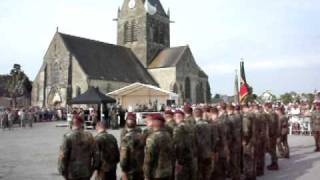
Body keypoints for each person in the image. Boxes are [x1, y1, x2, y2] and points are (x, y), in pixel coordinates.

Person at [58, 115, 95, 180]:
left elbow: (63, 155)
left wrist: (62, 170)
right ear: (82, 123)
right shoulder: (89, 136)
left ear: (72, 124)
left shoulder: (67, 136)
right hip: (86, 171)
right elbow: (96, 153)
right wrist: (93, 169)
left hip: (72, 172)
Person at [143, 114, 174, 180]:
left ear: (153, 123)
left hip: (156, 174)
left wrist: (146, 176)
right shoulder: (168, 136)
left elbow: (148, 159)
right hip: (168, 172)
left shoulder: (152, 138)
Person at [120, 114, 145, 180]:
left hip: (130, 169)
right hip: (140, 167)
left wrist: (123, 171)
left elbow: (124, 156)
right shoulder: (142, 135)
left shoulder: (125, 135)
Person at [173, 110, 195, 180]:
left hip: (182, 157)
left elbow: (178, 145)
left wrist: (179, 160)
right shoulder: (191, 126)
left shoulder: (178, 128)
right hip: (192, 155)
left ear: (176, 117)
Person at [194, 108, 213, 180]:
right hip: (208, 151)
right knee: (207, 172)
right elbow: (212, 138)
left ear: (194, 114)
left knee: (199, 173)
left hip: (199, 153)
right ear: (202, 114)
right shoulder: (208, 124)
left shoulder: (195, 126)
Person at [226, 104, 242, 180]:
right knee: (237, 159)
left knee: (233, 160)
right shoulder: (239, 117)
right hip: (238, 140)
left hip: (232, 141)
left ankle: (235, 176)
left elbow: (228, 132)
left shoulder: (228, 119)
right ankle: (237, 175)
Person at [242, 105, 257, 180]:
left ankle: (248, 176)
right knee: (253, 158)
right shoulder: (254, 116)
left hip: (248, 141)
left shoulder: (246, 117)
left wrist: (245, 140)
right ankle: (253, 175)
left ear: (245, 108)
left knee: (247, 158)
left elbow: (246, 131)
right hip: (254, 139)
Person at [264, 103, 280, 171]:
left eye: (265, 107)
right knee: (272, 149)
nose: (265, 108)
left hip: (272, 135)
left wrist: (270, 134)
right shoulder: (274, 113)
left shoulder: (271, 114)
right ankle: (274, 162)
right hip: (274, 134)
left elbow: (272, 125)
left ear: (268, 107)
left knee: (272, 149)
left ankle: (275, 164)